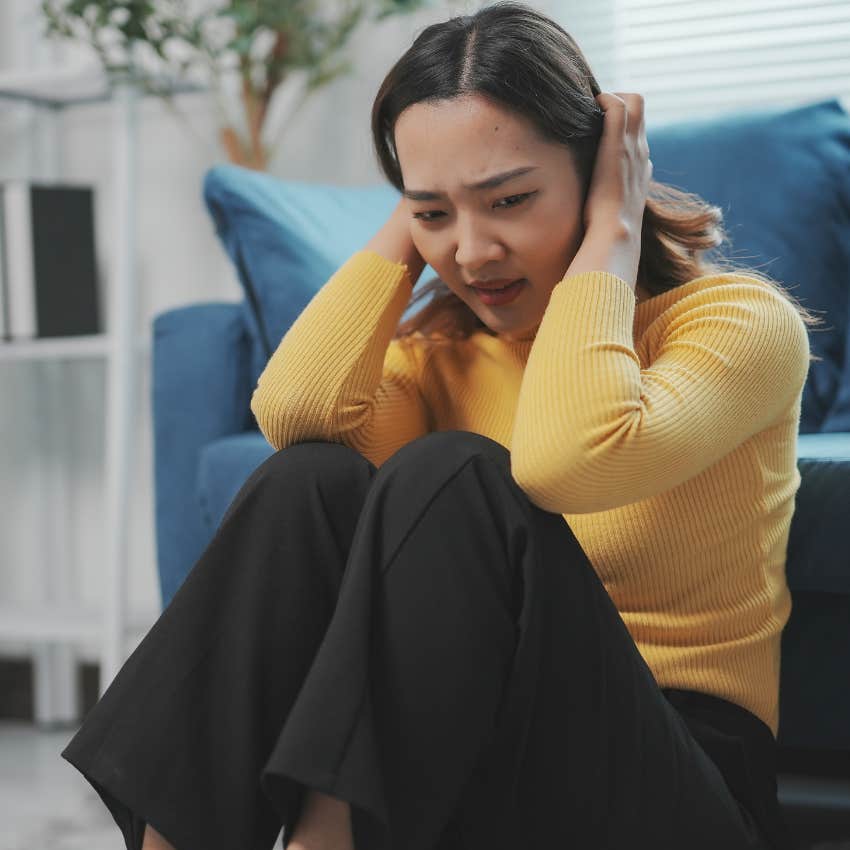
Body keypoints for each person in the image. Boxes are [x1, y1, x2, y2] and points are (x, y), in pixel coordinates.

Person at [61, 2, 821, 849]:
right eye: (436, 215)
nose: (473, 251)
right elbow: (293, 413)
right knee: (309, 480)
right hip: (481, 769)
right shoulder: (438, 359)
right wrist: (413, 211)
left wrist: (613, 230)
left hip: (674, 786)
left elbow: (569, 461)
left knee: (455, 473)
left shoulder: (735, 325)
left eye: (509, 199)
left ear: (600, 169)